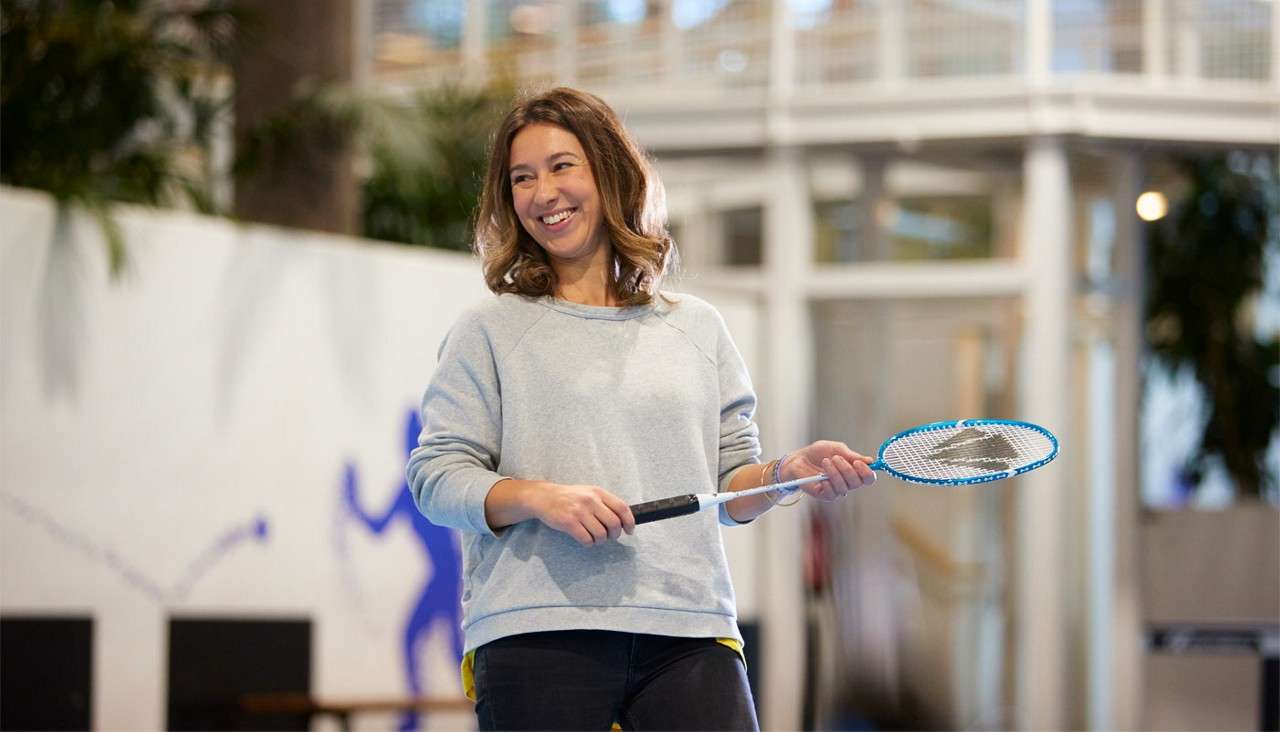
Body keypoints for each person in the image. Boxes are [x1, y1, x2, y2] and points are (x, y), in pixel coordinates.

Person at [405, 87, 876, 731]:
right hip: (538, 632)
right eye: (522, 177)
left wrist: (787, 471)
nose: (544, 192)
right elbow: (436, 478)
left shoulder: (699, 328)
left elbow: (729, 486)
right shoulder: (489, 329)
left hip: (689, 627)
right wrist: (540, 497)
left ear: (612, 172)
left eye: (562, 166)